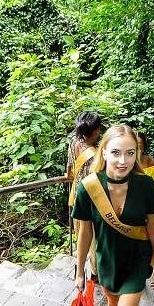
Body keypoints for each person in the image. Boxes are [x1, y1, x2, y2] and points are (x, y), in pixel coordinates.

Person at [71, 124, 154, 306]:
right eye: (116, 153)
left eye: (130, 153)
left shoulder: (145, 184)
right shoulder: (89, 187)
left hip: (137, 263)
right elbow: (85, 234)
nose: (123, 160)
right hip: (107, 263)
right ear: (104, 152)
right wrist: (80, 272)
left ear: (137, 154)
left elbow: (153, 227)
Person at [66, 111, 105, 278]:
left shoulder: (73, 143)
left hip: (76, 198)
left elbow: (69, 172)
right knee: (94, 239)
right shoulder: (97, 156)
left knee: (80, 235)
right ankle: (96, 273)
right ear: (95, 131)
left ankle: (82, 269)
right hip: (92, 202)